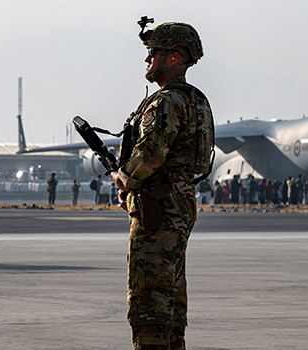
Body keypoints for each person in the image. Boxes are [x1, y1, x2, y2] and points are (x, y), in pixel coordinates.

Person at [110, 19, 214, 350]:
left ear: (174, 57)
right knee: (170, 296)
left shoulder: (167, 101)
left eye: (154, 53)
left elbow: (151, 152)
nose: (147, 60)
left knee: (149, 299)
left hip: (157, 211)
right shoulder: (196, 100)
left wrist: (124, 179)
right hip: (179, 206)